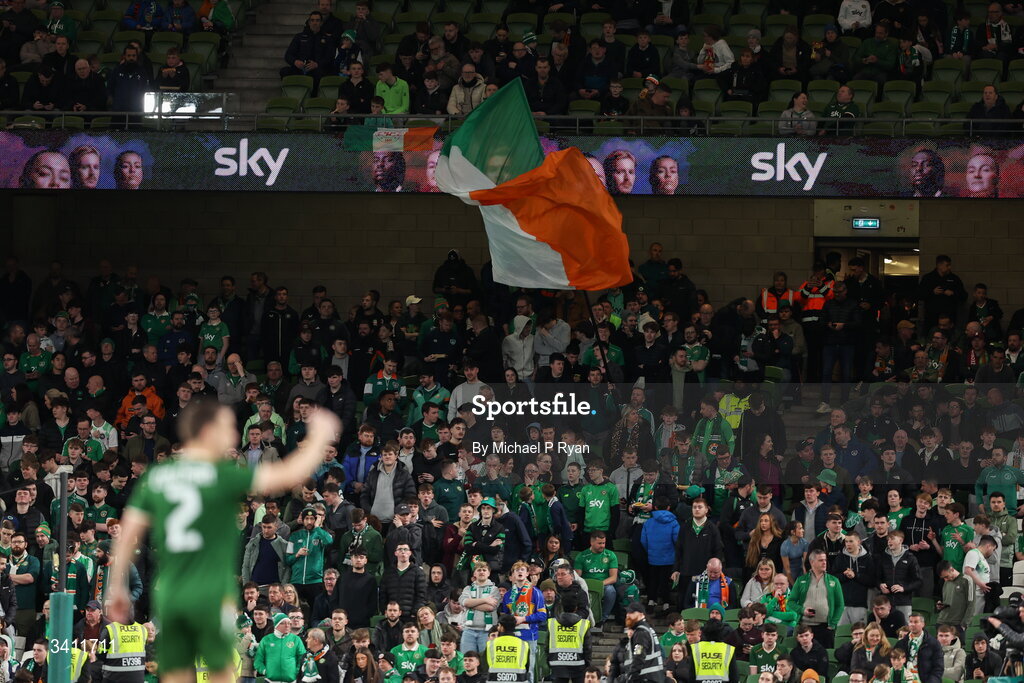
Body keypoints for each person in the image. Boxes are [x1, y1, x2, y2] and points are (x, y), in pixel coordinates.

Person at [109, 401, 340, 683]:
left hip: (171, 592)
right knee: (220, 671)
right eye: (227, 428)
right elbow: (287, 475)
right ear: (207, 431)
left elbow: (127, 527)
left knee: (176, 673)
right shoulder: (220, 474)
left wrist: (117, 587)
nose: (233, 436)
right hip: (209, 592)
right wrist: (318, 438)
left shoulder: (158, 477)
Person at [623, 603, 665, 682]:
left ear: (641, 614)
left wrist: (632, 675)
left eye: (632, 613)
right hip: (652, 677)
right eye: (627, 613)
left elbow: (639, 655)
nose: (628, 615)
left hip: (646, 678)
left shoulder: (641, 632)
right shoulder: (646, 629)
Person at [485, 615, 529, 683]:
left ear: (501, 627)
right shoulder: (523, 644)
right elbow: (527, 666)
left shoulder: (491, 644)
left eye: (498, 626)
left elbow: (485, 665)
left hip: (495, 680)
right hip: (518, 680)